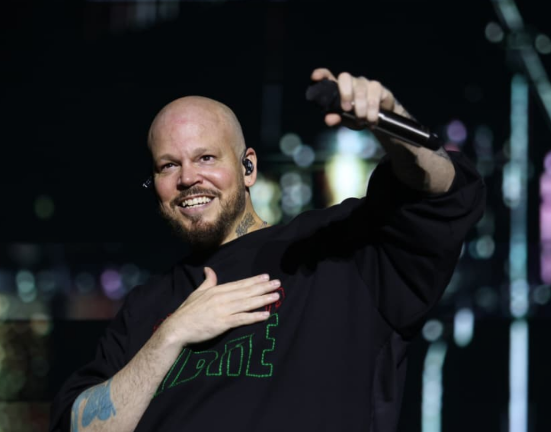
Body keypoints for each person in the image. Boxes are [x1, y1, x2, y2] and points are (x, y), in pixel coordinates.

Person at [50, 68, 486, 432]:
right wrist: (171, 335)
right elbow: (78, 425)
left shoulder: (340, 250)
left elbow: (444, 196)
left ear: (248, 167)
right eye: (168, 165)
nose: (187, 178)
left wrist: (389, 121)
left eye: (206, 158)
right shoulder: (144, 308)